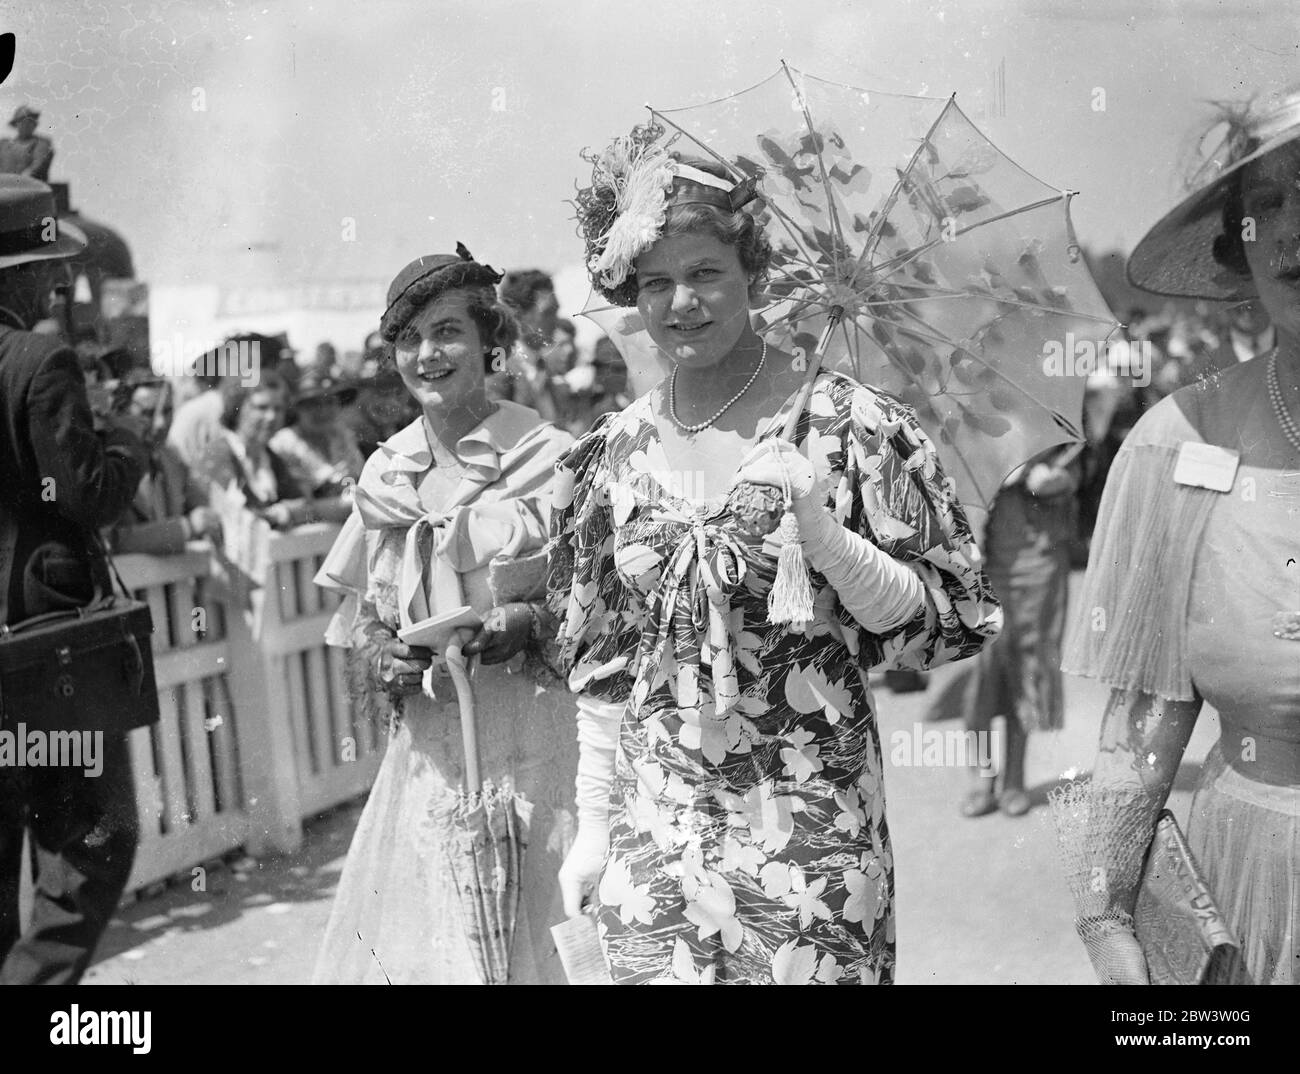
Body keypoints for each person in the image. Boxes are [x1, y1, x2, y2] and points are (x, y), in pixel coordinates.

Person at [550, 133, 1001, 984]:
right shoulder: (617, 450)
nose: (681, 302)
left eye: (705, 272)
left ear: (752, 274)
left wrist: (824, 535)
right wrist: (591, 830)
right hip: (661, 829)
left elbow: (942, 628)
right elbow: (608, 672)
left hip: (811, 825)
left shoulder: (844, 424)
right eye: (655, 282)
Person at [1059, 86, 1300, 985]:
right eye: (1264, 205)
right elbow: (1139, 737)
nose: (1290, 233)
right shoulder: (1180, 441)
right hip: (1253, 896)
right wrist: (1107, 918)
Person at [311, 245, 578, 984]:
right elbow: (364, 621)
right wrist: (382, 656)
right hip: (433, 767)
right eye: (408, 339)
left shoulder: (549, 457)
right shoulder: (386, 475)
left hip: (541, 757)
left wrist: (524, 623)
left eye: (447, 332)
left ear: (490, 341)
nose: (426, 354)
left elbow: (597, 607)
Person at [0, 175, 148, 983]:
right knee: (94, 840)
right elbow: (86, 492)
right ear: (14, 275)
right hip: (44, 645)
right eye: (43, 266)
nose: (56, 281)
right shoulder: (38, 356)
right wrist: (130, 442)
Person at [958, 446, 1079, 818]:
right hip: (981, 570)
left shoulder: (1053, 427)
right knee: (979, 680)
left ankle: (1013, 780)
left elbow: (1072, 478)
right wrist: (997, 474)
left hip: (1038, 569)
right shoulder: (966, 421)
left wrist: (1033, 474)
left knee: (1025, 676)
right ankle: (982, 778)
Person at [197, 370, 348, 529]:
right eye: (261, 407)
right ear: (238, 407)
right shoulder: (218, 453)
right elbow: (231, 516)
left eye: (278, 409)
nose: (271, 417)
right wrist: (282, 513)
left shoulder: (270, 457)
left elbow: (301, 504)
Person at [106, 372, 222, 554]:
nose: (159, 423)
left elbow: (201, 503)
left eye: (167, 411)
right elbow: (115, 541)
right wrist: (187, 527)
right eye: (147, 413)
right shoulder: (109, 465)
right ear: (122, 414)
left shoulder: (171, 457)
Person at [268, 368, 365, 499]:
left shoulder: (343, 435)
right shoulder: (283, 444)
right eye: (313, 404)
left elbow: (359, 477)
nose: (323, 411)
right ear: (298, 408)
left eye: (330, 402)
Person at [342, 347, 414, 460]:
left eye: (398, 393)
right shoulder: (346, 437)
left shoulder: (411, 426)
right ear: (360, 393)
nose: (391, 402)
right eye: (381, 393)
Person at [0, 106, 54, 182]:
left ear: (34, 124)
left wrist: (23, 177)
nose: (26, 124)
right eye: (22, 121)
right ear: (16, 124)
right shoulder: (4, 145)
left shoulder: (41, 143)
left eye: (29, 121)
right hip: (5, 188)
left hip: (30, 188)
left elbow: (38, 164)